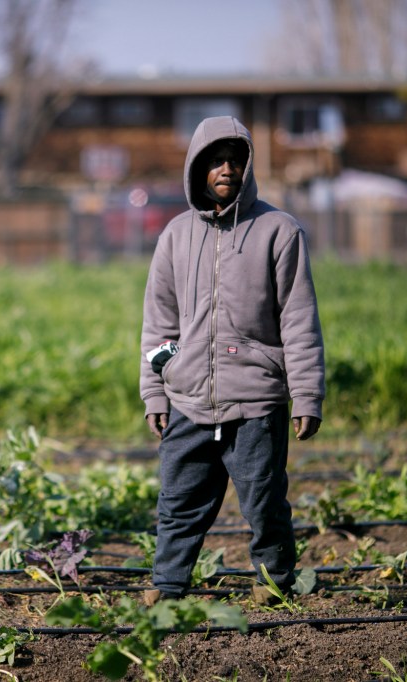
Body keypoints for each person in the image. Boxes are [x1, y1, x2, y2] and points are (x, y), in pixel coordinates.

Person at [139, 115, 325, 603]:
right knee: (178, 502)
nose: (226, 168)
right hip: (187, 399)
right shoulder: (175, 236)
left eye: (235, 159)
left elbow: (299, 319)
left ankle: (275, 581)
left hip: (257, 401)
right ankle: (169, 585)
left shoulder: (279, 231)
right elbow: (159, 324)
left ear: (247, 166)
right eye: (215, 160)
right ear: (197, 168)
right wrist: (156, 389)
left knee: (264, 502)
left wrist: (306, 394)